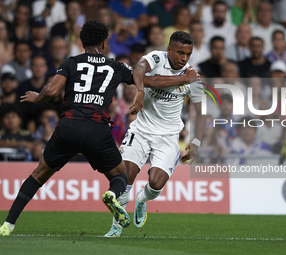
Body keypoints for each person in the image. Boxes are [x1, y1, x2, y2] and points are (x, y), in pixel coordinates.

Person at [0, 20, 200, 236]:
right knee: (120, 178)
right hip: (97, 130)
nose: (184, 58)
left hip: (68, 126)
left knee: (38, 175)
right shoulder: (117, 67)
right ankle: (113, 199)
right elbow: (148, 79)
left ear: (82, 41)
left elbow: (51, 89)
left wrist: (37, 97)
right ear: (105, 43)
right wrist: (172, 82)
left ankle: (8, 224)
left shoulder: (71, 62)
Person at [104, 31, 205, 237]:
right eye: (180, 53)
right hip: (141, 131)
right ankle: (116, 227)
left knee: (156, 184)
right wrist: (140, 90)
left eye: (188, 54)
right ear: (169, 50)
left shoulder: (192, 77)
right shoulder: (156, 58)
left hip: (167, 137)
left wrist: (195, 142)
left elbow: (202, 112)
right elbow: (138, 69)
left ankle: (142, 199)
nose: (184, 58)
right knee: (125, 179)